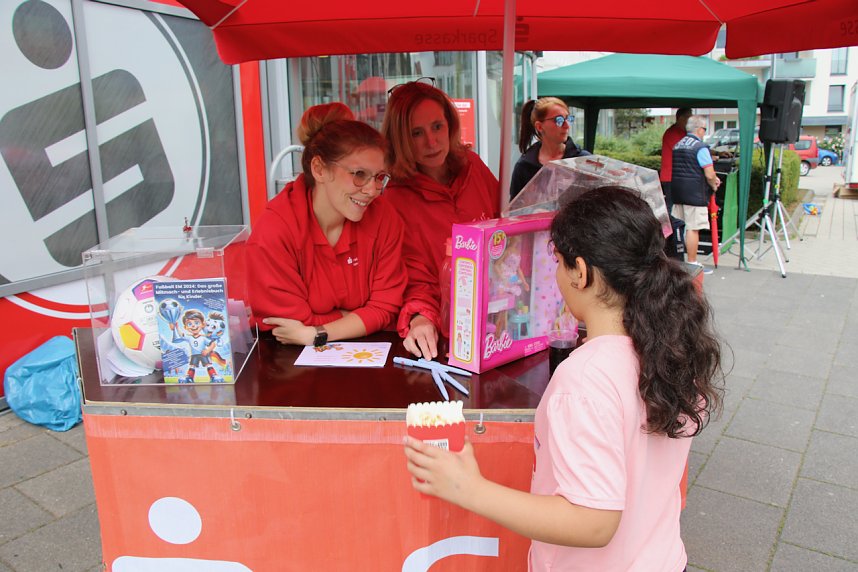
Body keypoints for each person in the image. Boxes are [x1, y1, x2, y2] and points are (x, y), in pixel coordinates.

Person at [405, 186, 724, 571]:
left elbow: (593, 522)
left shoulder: (586, 379)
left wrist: (469, 488)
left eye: (558, 262)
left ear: (582, 273)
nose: (555, 275)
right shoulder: (671, 345)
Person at [246, 102, 407, 346]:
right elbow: (285, 325)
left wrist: (316, 332)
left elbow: (386, 308)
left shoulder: (385, 217)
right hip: (286, 365)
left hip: (365, 359)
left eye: (379, 177)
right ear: (319, 169)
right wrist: (361, 318)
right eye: (359, 174)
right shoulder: (274, 230)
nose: (372, 190)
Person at [381, 79, 500, 359]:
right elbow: (414, 276)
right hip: (450, 333)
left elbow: (504, 229)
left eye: (437, 127)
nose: (432, 142)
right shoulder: (395, 201)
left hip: (499, 317)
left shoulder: (474, 166)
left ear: (450, 125)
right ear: (400, 139)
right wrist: (421, 317)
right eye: (416, 133)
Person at [509, 97, 591, 200]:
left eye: (569, 119)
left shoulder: (583, 161)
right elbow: (515, 210)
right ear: (539, 126)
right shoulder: (524, 167)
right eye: (559, 120)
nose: (567, 126)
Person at [671, 115, 721, 271]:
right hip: (695, 194)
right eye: (704, 129)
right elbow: (709, 174)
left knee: (678, 226)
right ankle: (692, 263)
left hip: (678, 191)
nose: (704, 133)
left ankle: (676, 259)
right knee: (693, 228)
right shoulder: (700, 147)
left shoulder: (678, 145)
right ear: (699, 129)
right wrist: (714, 184)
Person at [660, 107, 693, 211]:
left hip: (677, 176)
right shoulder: (672, 133)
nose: (690, 121)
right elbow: (686, 150)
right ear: (681, 118)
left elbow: (694, 146)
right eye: (689, 117)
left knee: (677, 207)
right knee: (672, 206)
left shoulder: (683, 132)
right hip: (671, 177)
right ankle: (669, 227)